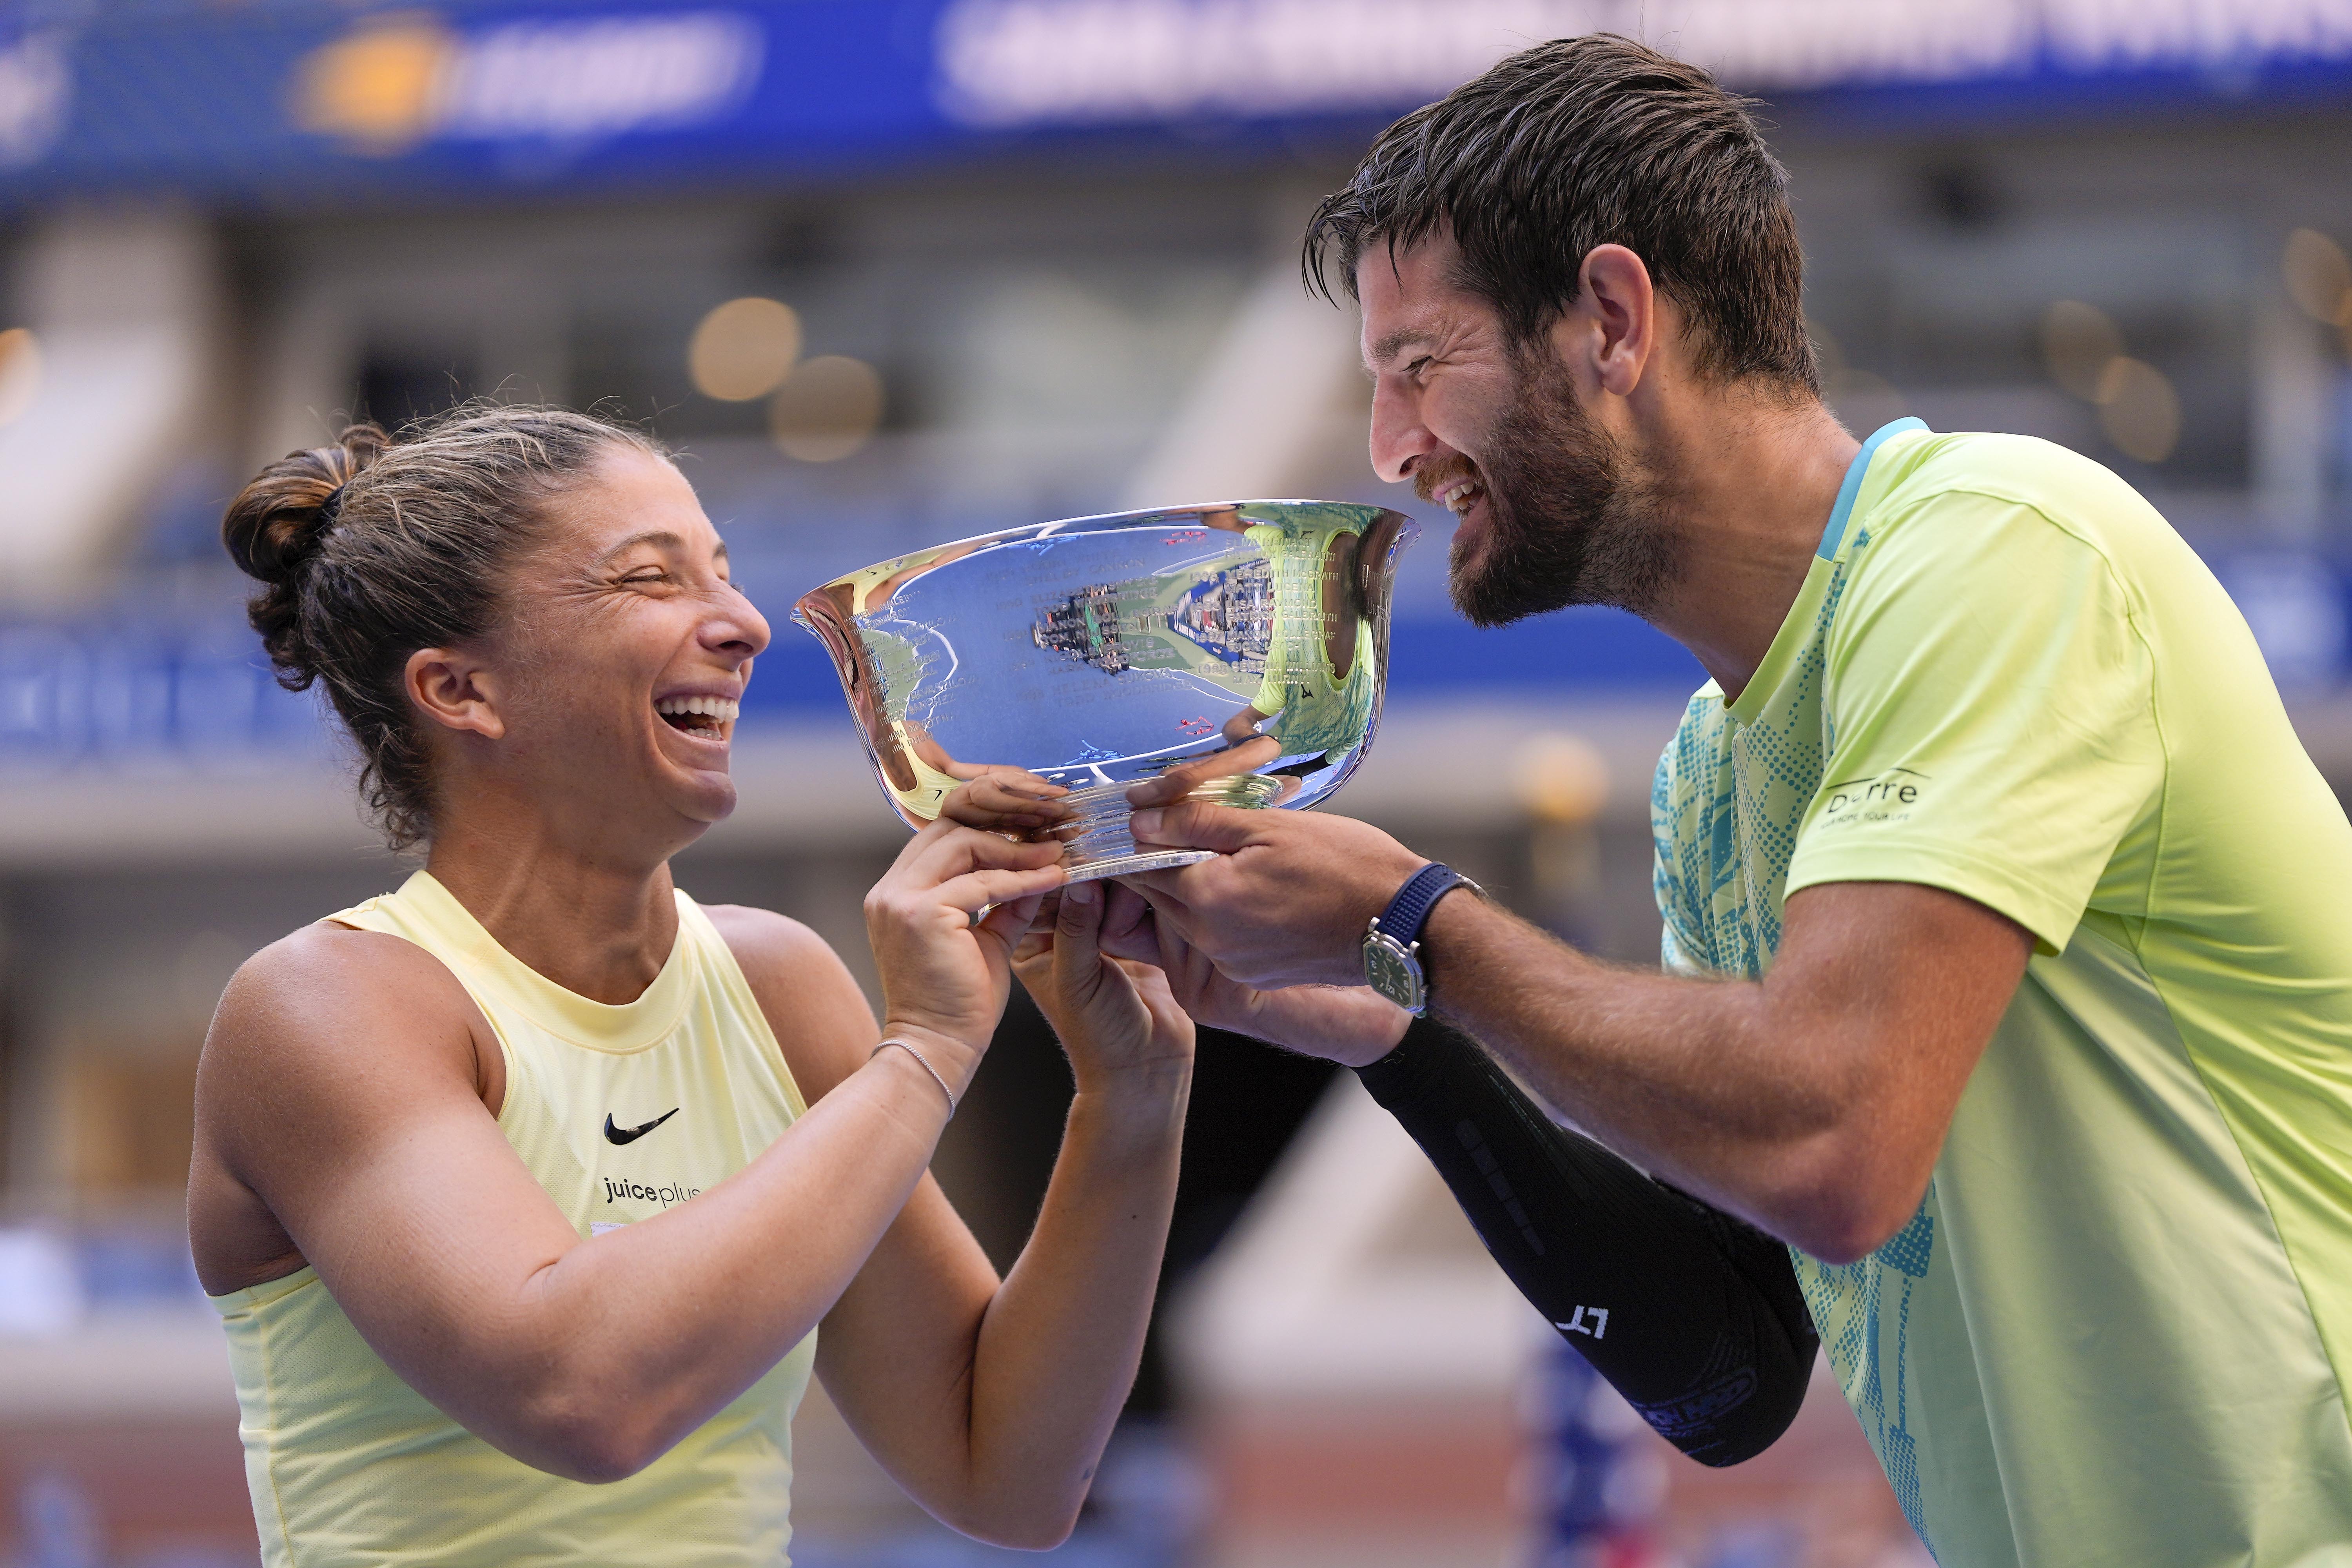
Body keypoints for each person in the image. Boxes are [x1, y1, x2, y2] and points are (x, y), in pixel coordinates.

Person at [1103, 34, 2352, 1568]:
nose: (1393, 452)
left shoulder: (2002, 555)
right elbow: (1731, 1375)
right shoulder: (1711, 772)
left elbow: (1836, 1136)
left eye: (1422, 367)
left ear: (1611, 323)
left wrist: (1417, 922)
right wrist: (1403, 1032)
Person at [187, 406, 1194, 1567]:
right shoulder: (327, 1005)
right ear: (463, 691)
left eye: (721, 572)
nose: (747, 624)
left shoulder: (773, 984)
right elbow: (582, 1397)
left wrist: (1132, 1097)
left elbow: (1007, 1475)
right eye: (648, 580)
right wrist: (922, 1050)